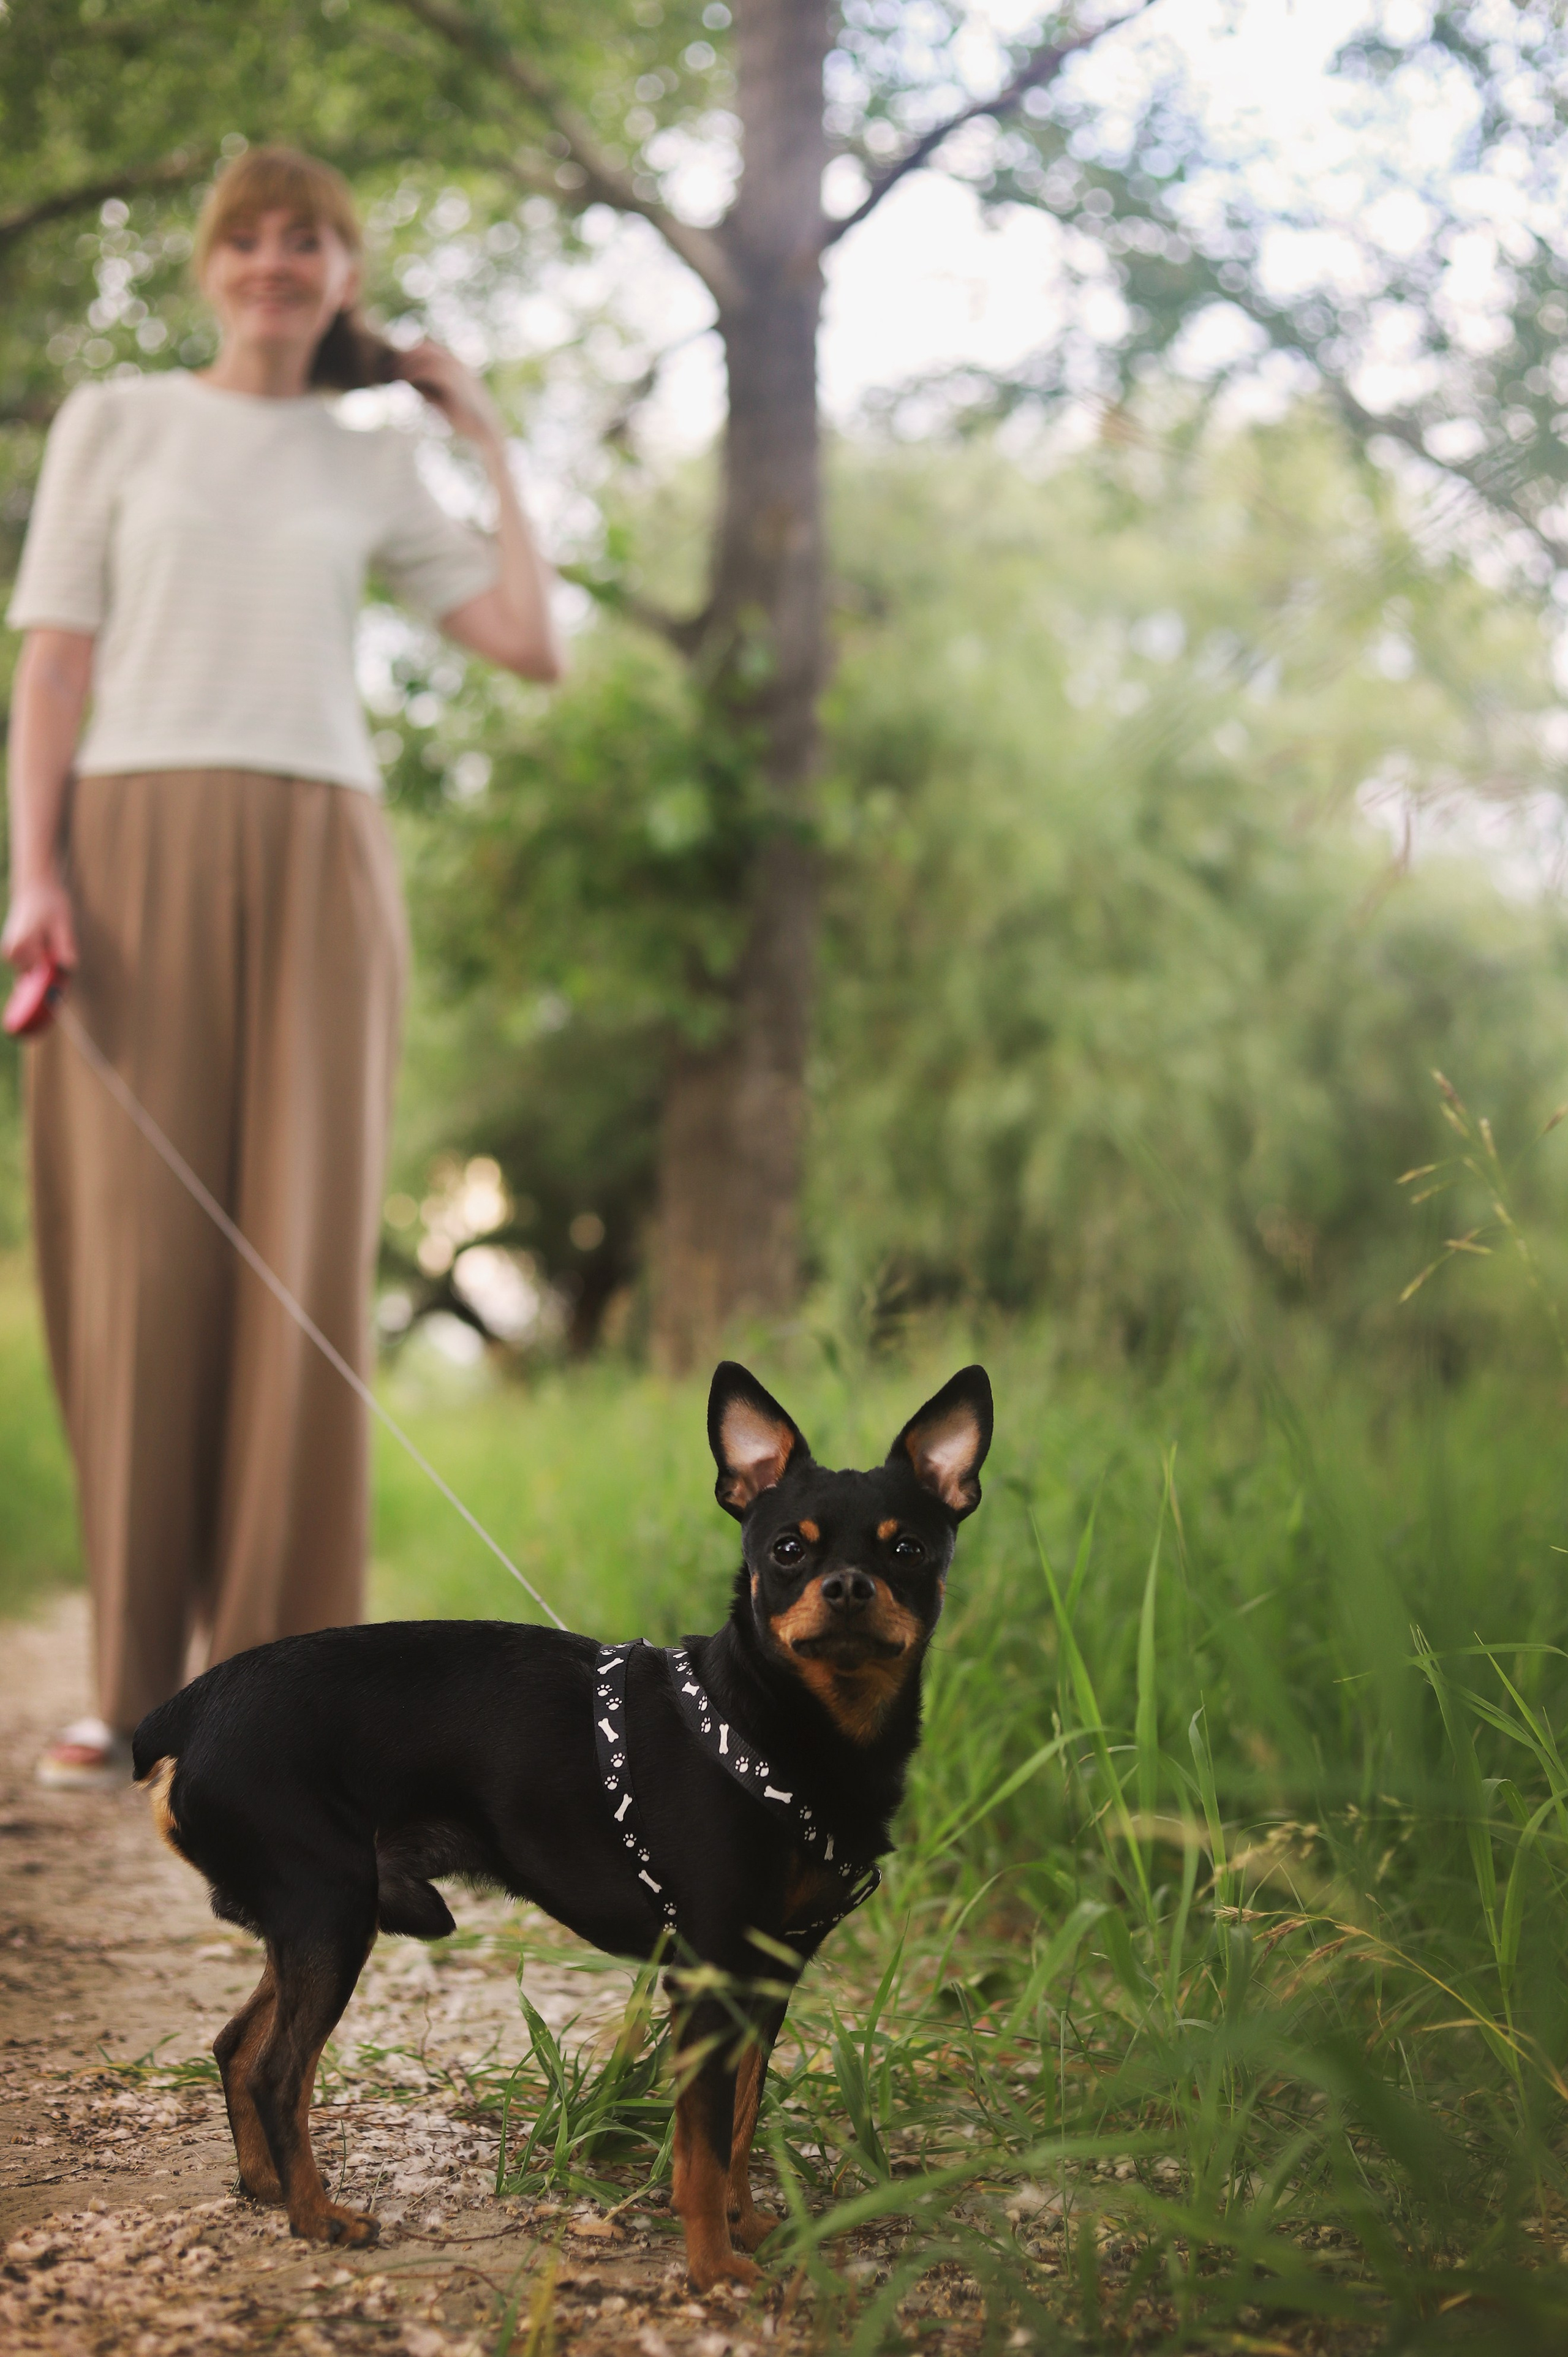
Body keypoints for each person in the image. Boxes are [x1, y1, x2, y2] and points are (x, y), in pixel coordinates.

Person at [2, 146, 562, 1788]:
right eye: (247, 235)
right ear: (208, 264)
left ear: (343, 273)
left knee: (296, 1256)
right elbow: (53, 666)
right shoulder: (118, 420)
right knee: (137, 1264)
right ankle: (127, 1688)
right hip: (127, 843)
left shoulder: (371, 461)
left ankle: (280, 1708)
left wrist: (486, 442)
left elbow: (532, 647)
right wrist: (29, 869)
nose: (274, 259)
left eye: (307, 236)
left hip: (325, 856)